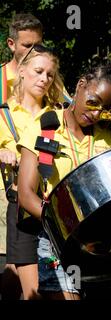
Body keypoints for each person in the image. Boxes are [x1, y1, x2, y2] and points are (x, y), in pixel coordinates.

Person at [16, 63, 111, 300]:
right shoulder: (44, 127)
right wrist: (70, 230)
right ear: (80, 86)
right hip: (59, 243)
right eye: (93, 101)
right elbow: (26, 195)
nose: (97, 113)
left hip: (105, 242)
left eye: (106, 108)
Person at [0, 43, 64, 300]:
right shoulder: (4, 114)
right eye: (38, 71)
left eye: (49, 74)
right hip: (15, 200)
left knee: (16, 268)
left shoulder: (56, 115)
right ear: (22, 72)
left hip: (50, 200)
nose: (44, 79)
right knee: (26, 279)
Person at [0, 13, 44, 300]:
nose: (33, 51)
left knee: (23, 260)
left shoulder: (44, 76)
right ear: (11, 44)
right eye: (27, 45)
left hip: (33, 181)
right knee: (8, 258)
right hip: (3, 180)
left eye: (38, 45)